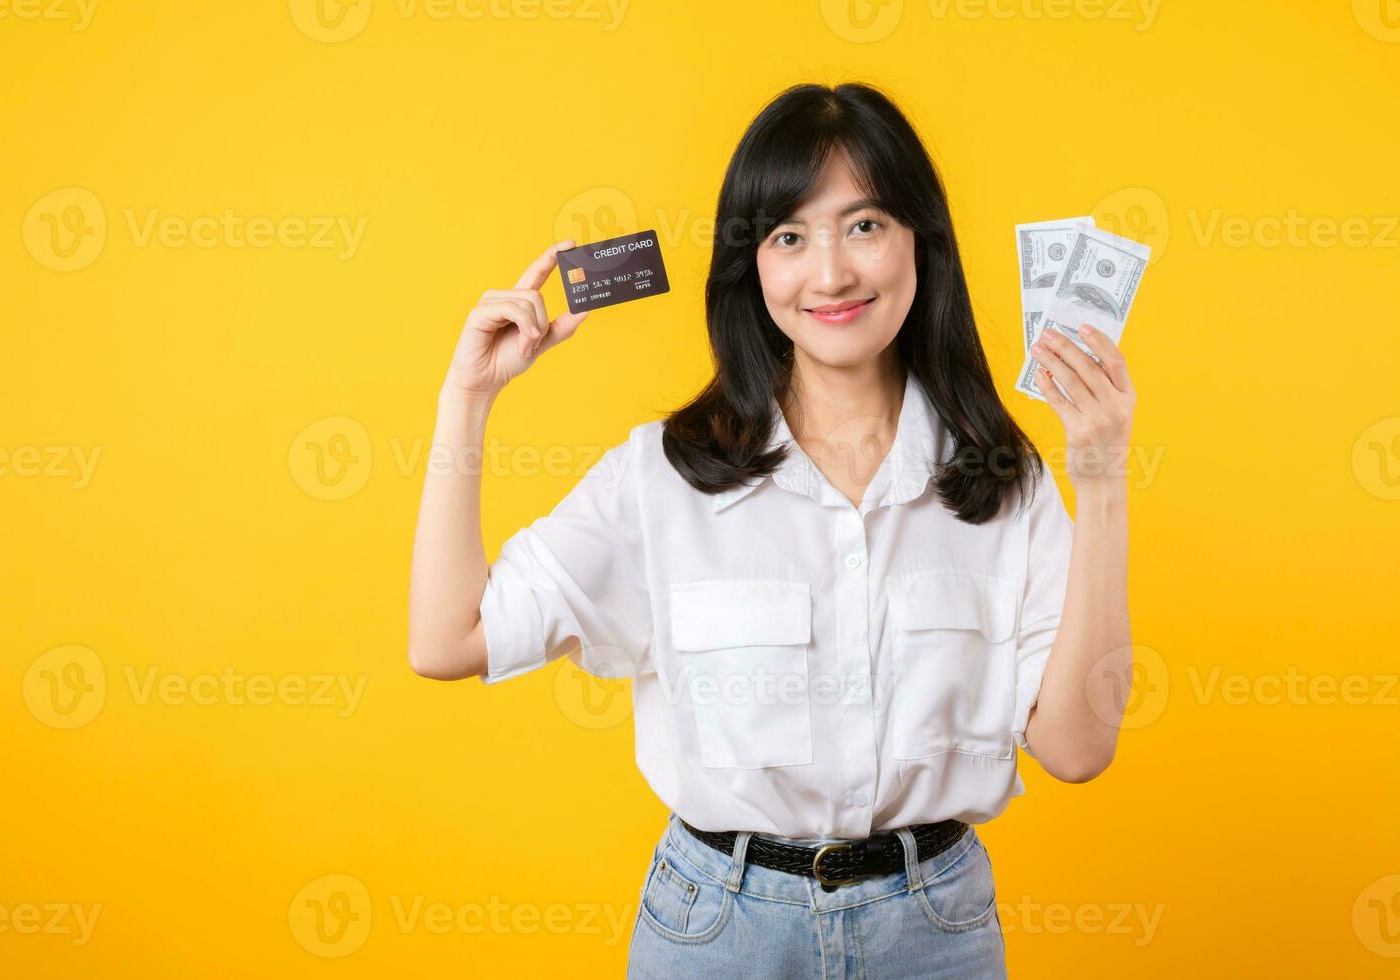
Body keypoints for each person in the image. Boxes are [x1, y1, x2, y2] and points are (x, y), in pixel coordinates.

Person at [408, 81, 1134, 978]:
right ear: (753, 267)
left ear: (923, 244)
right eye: (789, 237)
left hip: (935, 934)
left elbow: (1077, 748)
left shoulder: (1001, 480)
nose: (830, 274)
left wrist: (1100, 479)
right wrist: (467, 400)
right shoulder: (664, 474)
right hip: (718, 933)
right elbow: (447, 640)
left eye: (865, 225)